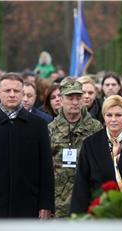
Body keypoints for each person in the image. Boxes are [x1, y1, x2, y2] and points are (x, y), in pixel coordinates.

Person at [0, 73, 54, 220]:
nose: (12, 95)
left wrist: (46, 204)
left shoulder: (38, 125)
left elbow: (46, 167)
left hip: (30, 205)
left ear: (22, 94)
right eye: (7, 91)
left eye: (16, 91)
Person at [70, 95, 122, 214]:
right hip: (99, 212)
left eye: (118, 115)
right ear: (103, 116)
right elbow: (81, 184)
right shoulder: (90, 144)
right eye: (109, 115)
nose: (113, 119)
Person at [48, 78, 102, 217]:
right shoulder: (50, 129)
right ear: (61, 99)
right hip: (57, 203)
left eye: (78, 97)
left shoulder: (95, 128)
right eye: (70, 98)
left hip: (88, 200)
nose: (75, 102)